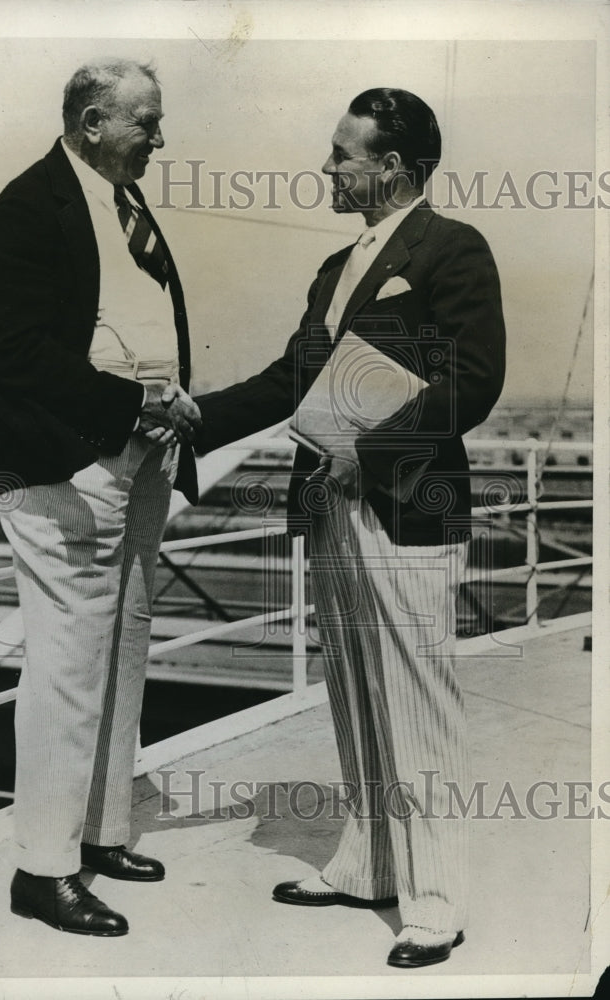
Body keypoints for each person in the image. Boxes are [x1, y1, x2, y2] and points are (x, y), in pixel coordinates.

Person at [194, 87, 505, 968]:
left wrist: (365, 455)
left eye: (341, 154)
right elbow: (291, 377)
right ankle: (367, 864)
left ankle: (434, 901)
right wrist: (196, 417)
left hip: (406, 504)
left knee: (416, 698)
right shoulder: (335, 270)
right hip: (330, 501)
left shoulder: (451, 250)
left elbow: (472, 383)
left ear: (392, 169)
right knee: (359, 693)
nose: (326, 169)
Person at [0, 58, 201, 936]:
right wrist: (130, 403)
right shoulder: (30, 206)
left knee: (125, 645)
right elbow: (14, 352)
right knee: (68, 666)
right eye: (146, 123)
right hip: (67, 470)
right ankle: (43, 869)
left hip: (138, 460)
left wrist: (163, 411)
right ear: (95, 119)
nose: (158, 138)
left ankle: (101, 833)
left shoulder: (124, 203)